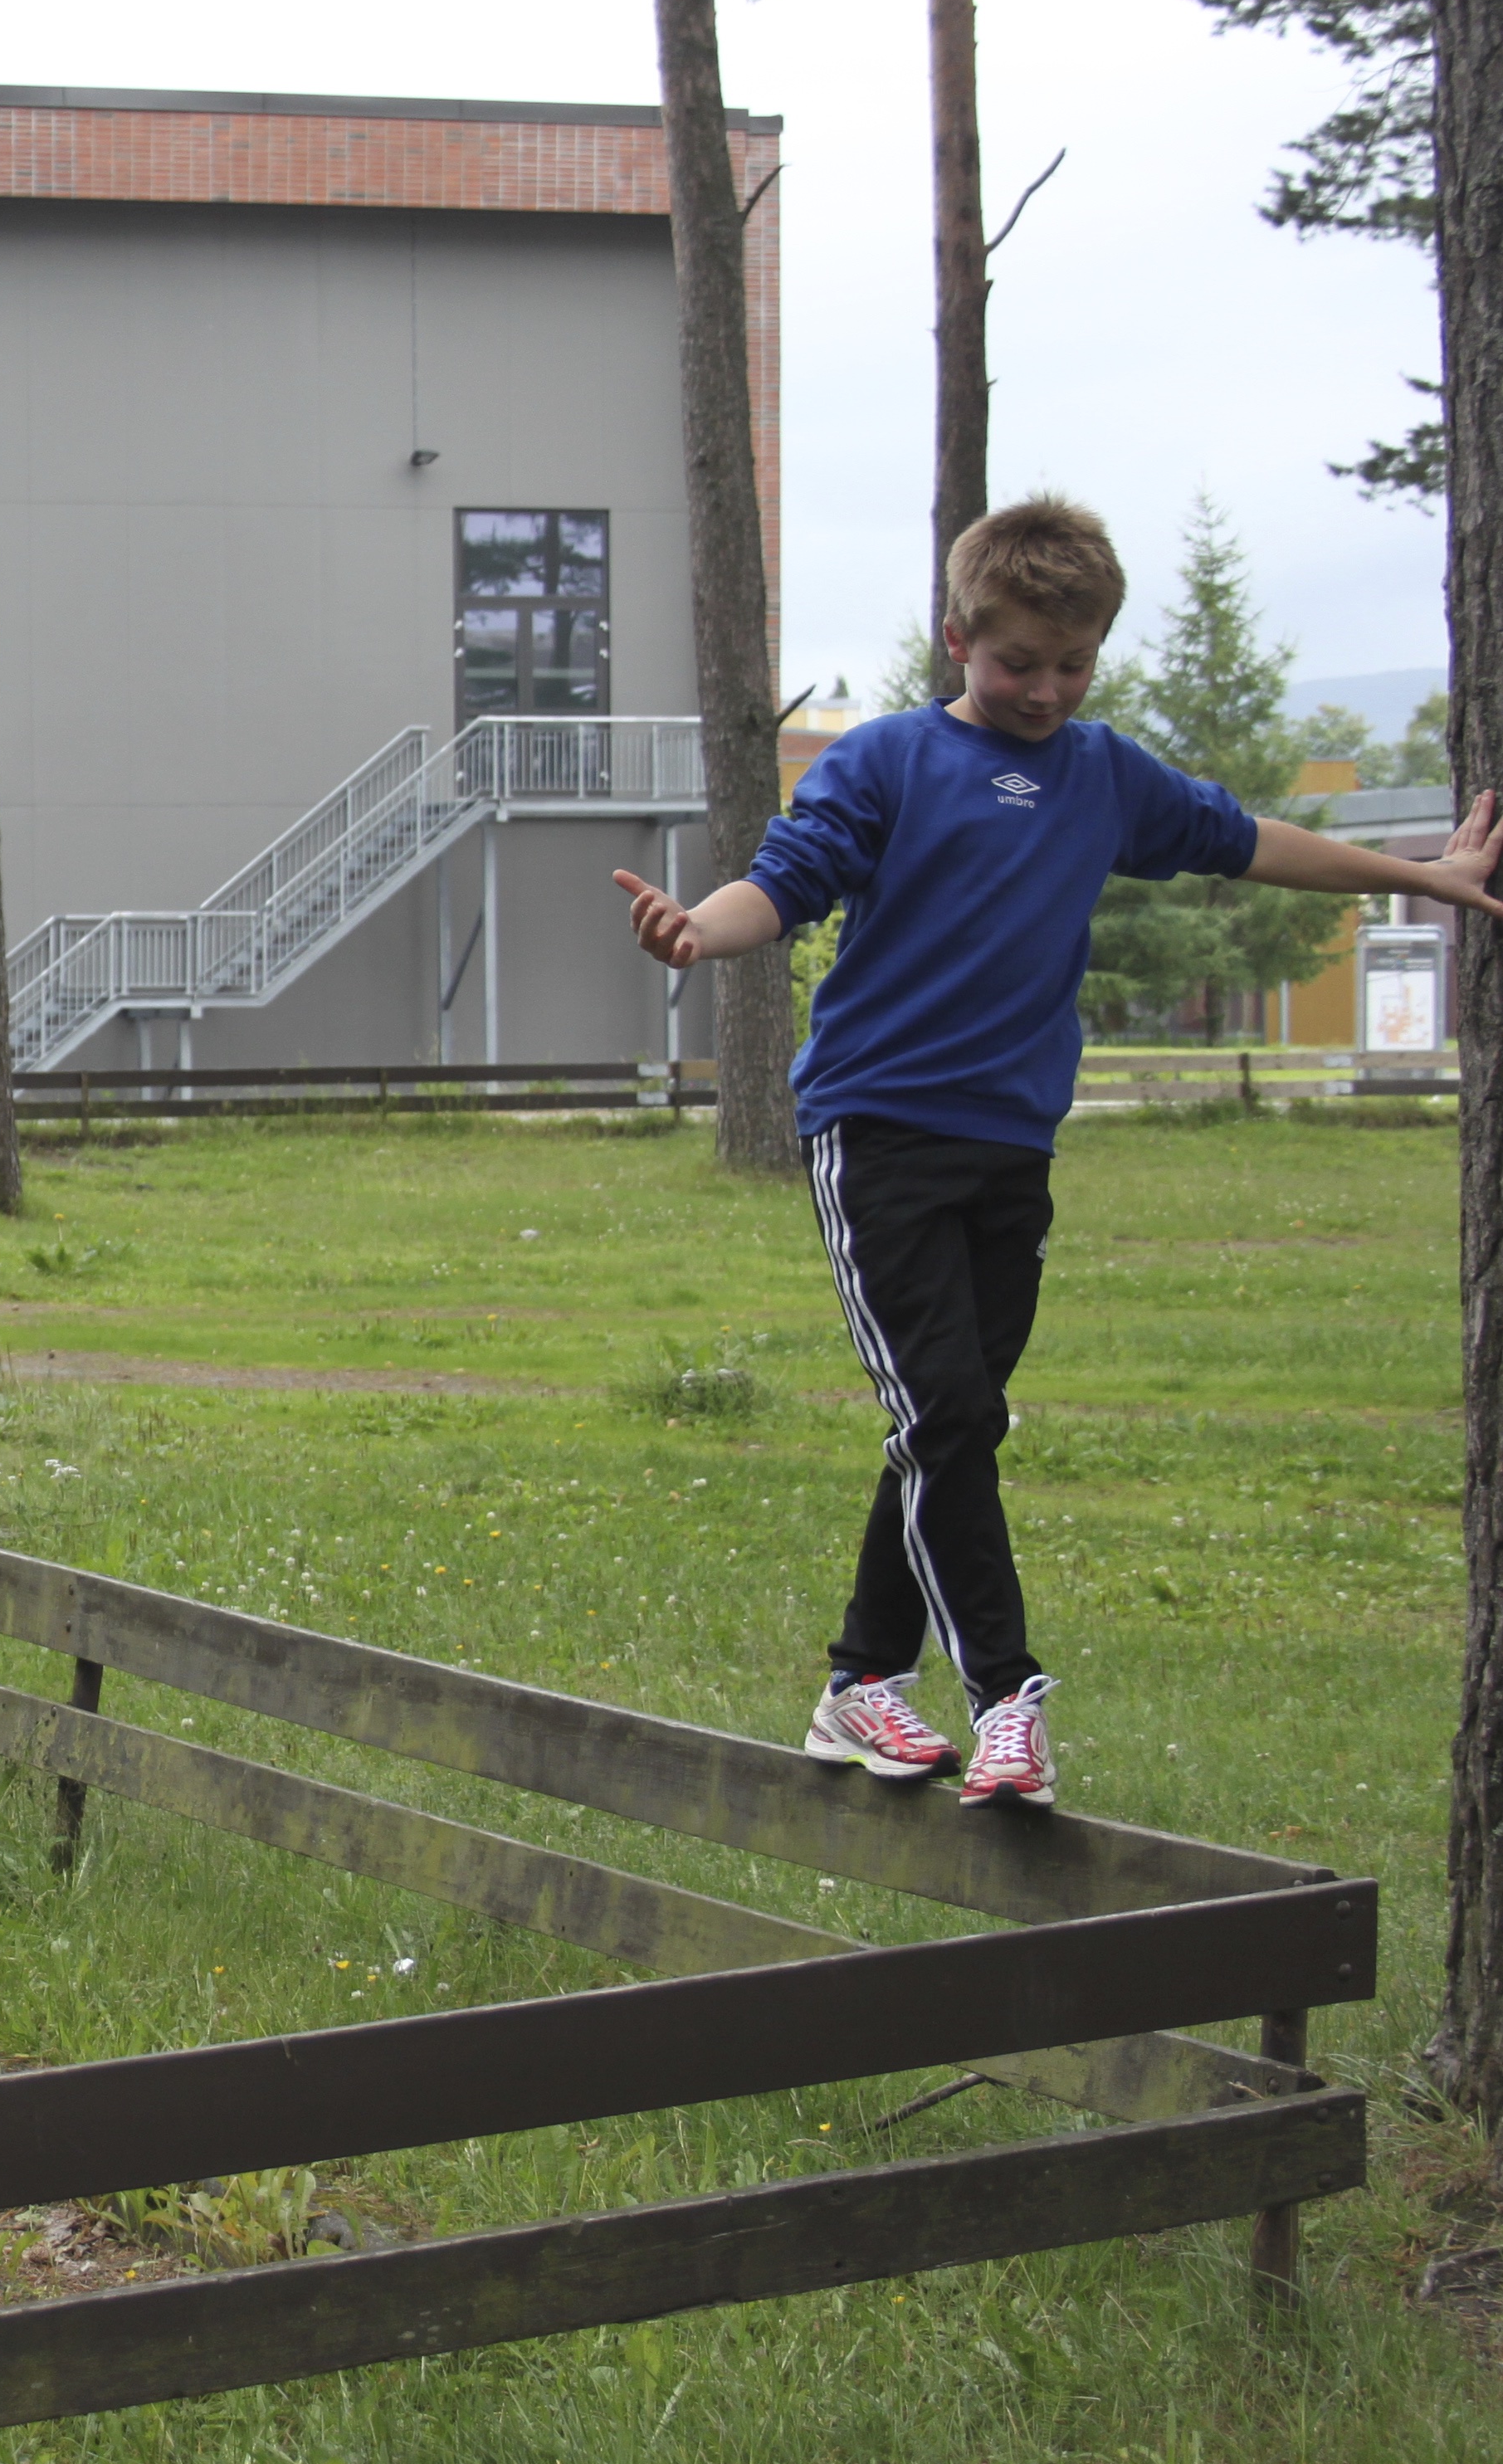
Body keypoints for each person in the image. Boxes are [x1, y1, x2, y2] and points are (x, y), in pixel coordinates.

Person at [614, 495, 1503, 1812]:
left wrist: (1420, 876)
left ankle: (861, 1681)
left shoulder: (1104, 775)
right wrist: (700, 929)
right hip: (879, 1131)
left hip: (1012, 1146)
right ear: (958, 639)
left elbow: (1247, 841)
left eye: (1072, 666)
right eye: (1017, 662)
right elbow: (784, 883)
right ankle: (1006, 1700)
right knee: (947, 1416)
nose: (1044, 689)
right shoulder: (887, 762)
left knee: (952, 1422)